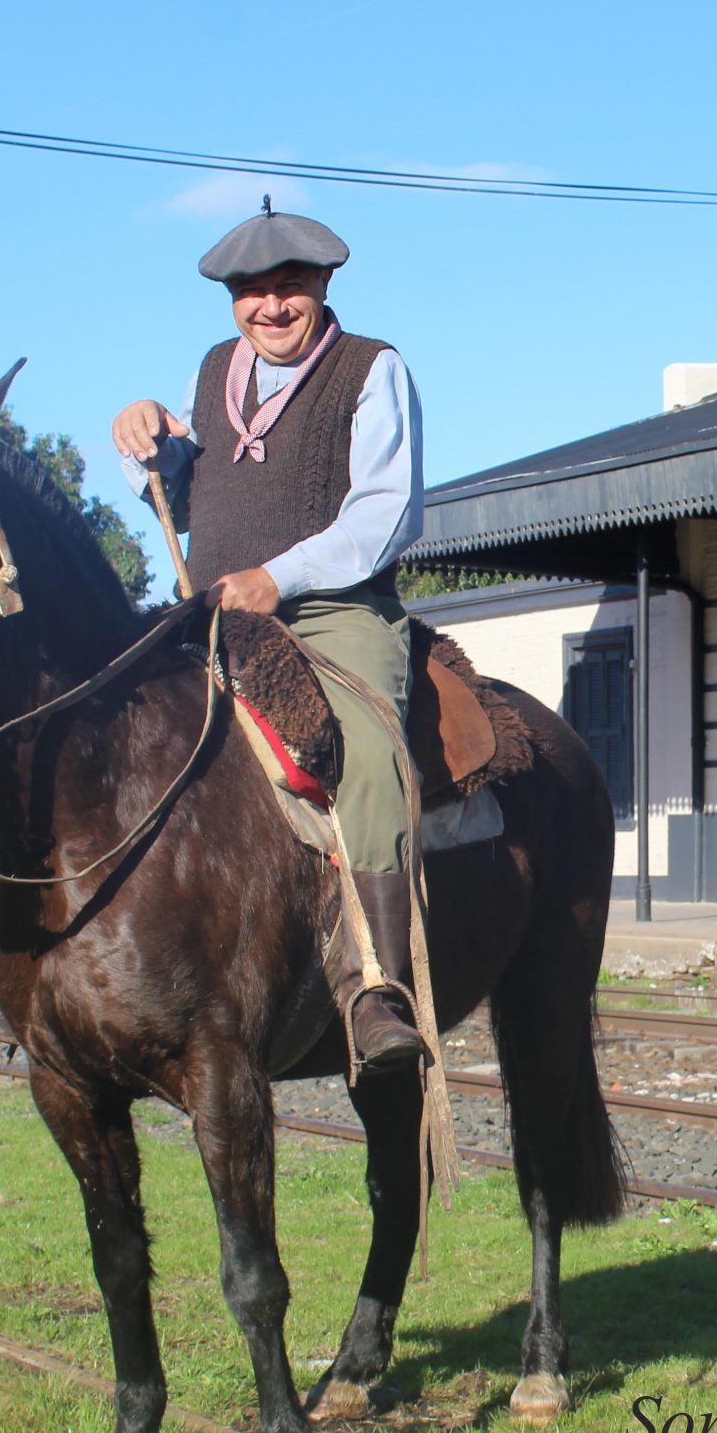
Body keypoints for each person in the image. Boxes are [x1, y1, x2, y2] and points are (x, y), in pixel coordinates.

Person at [112, 200, 426, 1074]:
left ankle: (377, 988)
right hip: (217, 610)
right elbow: (185, 491)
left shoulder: (373, 368)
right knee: (117, 724)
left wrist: (277, 577)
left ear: (322, 285)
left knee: (370, 756)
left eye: (290, 288)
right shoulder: (215, 369)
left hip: (333, 613)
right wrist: (146, 438)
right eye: (252, 292)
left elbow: (386, 514)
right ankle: (85, 978)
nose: (271, 307)